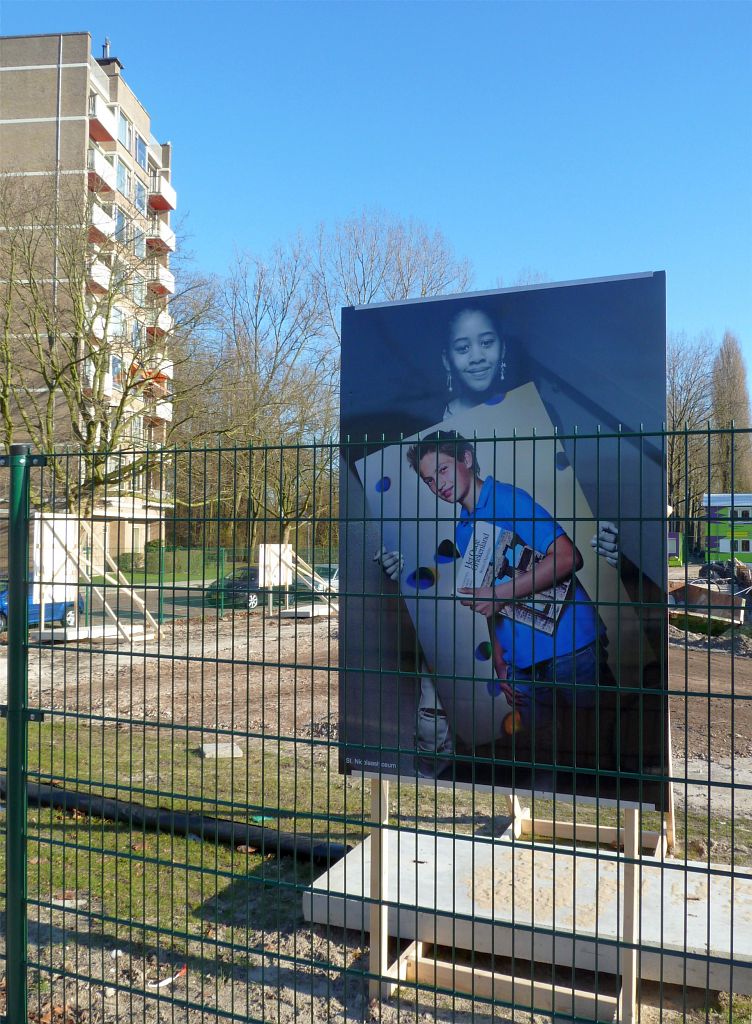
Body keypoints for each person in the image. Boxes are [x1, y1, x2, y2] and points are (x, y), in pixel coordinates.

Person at [404, 430, 615, 773]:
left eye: (442, 470)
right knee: (546, 761)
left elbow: (568, 558)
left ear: (466, 459)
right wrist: (501, 664)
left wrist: (497, 594)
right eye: (429, 480)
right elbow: (490, 602)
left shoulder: (508, 499)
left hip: (571, 648)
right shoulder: (462, 529)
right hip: (522, 664)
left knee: (600, 753)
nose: (438, 484)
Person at [441, 308, 506, 418]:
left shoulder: (526, 408)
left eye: (486, 342)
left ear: (503, 349)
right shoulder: (439, 419)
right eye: (463, 347)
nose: (477, 357)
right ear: (447, 360)